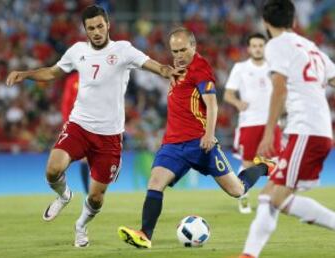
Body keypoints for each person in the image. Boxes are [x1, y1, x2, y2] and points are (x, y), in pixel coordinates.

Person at [6, 5, 180, 248]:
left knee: (96, 198)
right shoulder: (77, 51)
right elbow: (51, 72)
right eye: (91, 28)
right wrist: (25, 74)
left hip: (109, 136)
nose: (96, 31)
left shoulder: (123, 50)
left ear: (108, 25)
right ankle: (64, 195)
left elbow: (153, 65)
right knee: (52, 170)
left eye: (100, 26)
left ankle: (81, 226)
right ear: (85, 30)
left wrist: (167, 71)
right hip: (80, 125)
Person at [117, 27, 275, 249]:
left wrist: (209, 135)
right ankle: (145, 234)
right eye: (175, 51)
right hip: (172, 144)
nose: (179, 55)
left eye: (183, 50)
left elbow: (212, 103)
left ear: (193, 46)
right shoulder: (176, 71)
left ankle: (262, 167)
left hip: (200, 144)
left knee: (237, 190)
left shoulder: (200, 68)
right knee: (155, 182)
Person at [239, 1, 335, 257]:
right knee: (268, 194)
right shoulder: (310, 47)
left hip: (307, 130)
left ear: (266, 24)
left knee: (278, 197)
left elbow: (279, 87)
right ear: (293, 22)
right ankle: (248, 254)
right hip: (315, 129)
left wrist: (269, 132)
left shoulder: (277, 45)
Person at [224, 33, 282, 214]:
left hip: (272, 123)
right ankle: (243, 196)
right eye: (254, 45)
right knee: (249, 163)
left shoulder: (275, 68)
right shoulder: (240, 68)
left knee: (275, 163)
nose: (257, 48)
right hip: (249, 123)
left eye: (260, 45)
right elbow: (228, 94)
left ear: (265, 48)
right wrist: (237, 103)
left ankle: (271, 200)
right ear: (249, 49)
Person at [61, 72, 89, 194]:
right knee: (84, 158)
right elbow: (66, 103)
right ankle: (87, 191)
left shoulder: (96, 76)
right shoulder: (72, 80)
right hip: (78, 123)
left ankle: (91, 191)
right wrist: (67, 123)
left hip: (96, 122)